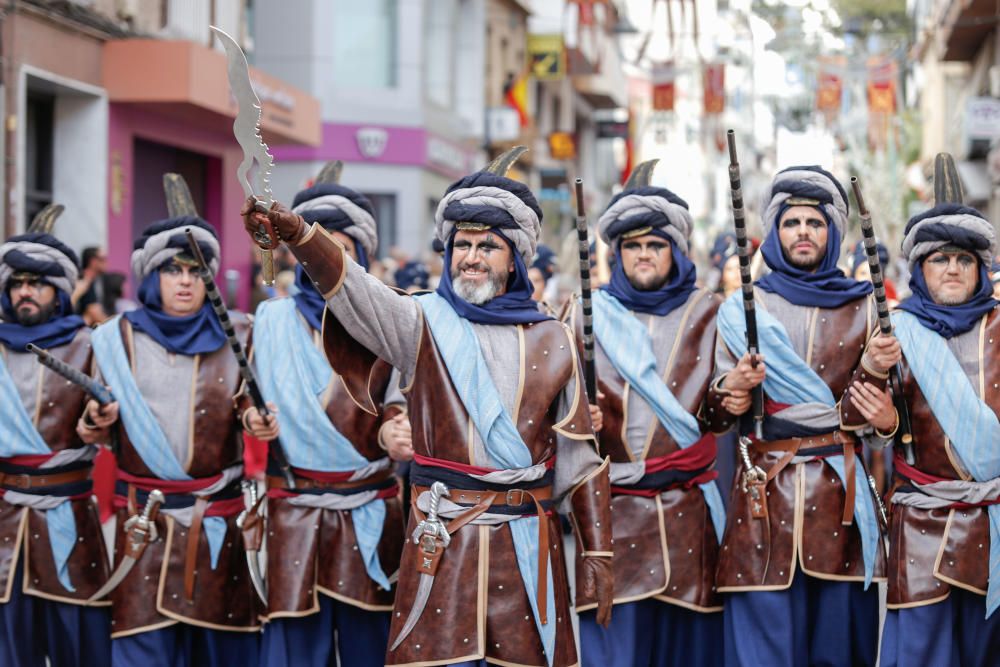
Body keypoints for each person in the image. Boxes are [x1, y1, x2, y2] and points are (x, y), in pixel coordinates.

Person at [242, 147, 613, 667]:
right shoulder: (418, 320)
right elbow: (357, 293)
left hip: (527, 541)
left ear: (515, 258)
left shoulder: (553, 338)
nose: (472, 256)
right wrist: (303, 235)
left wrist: (597, 547)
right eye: (462, 243)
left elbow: (578, 457)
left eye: (488, 245)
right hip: (442, 543)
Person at [707, 165, 898, 666]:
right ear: (775, 231)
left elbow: (875, 423)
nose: (803, 233)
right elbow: (714, 416)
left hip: (840, 500)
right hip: (762, 501)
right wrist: (733, 389)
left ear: (832, 232)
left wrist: (874, 372)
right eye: (792, 223)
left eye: (815, 222)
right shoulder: (742, 308)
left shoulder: (863, 307)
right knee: (761, 651)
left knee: (840, 651)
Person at [78, 215, 275, 667]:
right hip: (142, 526)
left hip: (217, 528)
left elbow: (250, 405)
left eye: (196, 271)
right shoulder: (112, 339)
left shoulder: (240, 333)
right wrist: (96, 418)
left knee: (224, 653)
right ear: (151, 276)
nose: (185, 282)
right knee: (140, 651)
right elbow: (90, 426)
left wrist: (257, 421)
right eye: (173, 270)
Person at [565, 161, 726, 666]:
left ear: (675, 251)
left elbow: (723, 409)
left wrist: (733, 394)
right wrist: (576, 421)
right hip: (611, 517)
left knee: (690, 653)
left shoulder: (712, 311)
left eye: (654, 245)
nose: (642, 255)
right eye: (632, 246)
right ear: (617, 254)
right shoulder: (582, 311)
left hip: (688, 514)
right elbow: (553, 402)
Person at [253, 162, 405, 667]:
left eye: (339, 243)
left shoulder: (395, 320)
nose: (325, 254)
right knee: (296, 651)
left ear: (362, 254)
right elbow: (241, 401)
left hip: (372, 512)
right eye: (315, 241)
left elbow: (418, 406)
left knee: (371, 649)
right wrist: (252, 422)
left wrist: (396, 429)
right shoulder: (268, 321)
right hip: (293, 515)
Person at [855, 188, 1000, 666]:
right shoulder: (896, 331)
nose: (953, 268)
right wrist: (881, 396)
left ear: (981, 268)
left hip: (995, 522)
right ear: (921, 269)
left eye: (963, 257)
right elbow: (853, 418)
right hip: (922, 527)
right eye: (940, 258)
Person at [0, 219, 112, 666]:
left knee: (79, 647)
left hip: (70, 517)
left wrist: (100, 424)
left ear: (60, 292)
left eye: (38, 284)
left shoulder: (92, 346)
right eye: (18, 283)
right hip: (4, 519)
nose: (26, 292)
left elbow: (118, 424)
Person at [74, 246, 110, 325]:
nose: (106, 262)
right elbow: (93, 311)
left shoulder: (97, 280)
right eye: (102, 259)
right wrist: (113, 326)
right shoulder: (84, 280)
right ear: (93, 261)